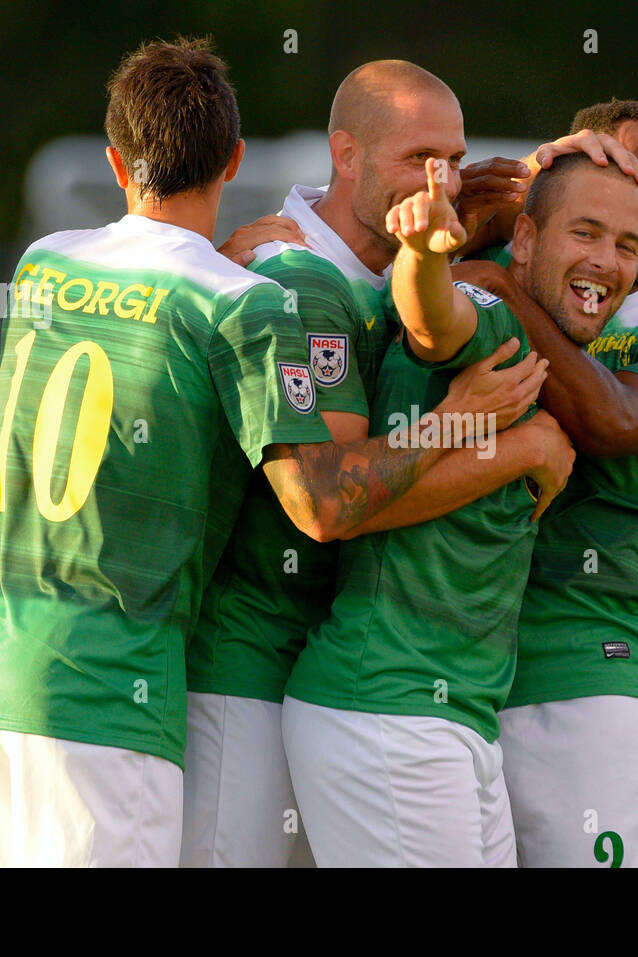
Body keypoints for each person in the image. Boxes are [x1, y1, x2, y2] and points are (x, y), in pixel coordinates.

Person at [0, 38, 493, 867]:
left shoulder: (43, 262)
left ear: (115, 160)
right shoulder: (244, 302)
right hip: (107, 687)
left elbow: (136, 312)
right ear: (234, 159)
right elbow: (321, 504)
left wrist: (213, 262)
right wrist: (461, 419)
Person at [180, 59, 564, 868]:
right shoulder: (297, 281)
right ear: (345, 153)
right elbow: (325, 504)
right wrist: (475, 433)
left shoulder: (387, 268)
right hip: (243, 673)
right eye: (420, 158)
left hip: (319, 679)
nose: (445, 182)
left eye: (456, 159)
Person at [282, 152, 638, 867]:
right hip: (387, 707)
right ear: (529, 241)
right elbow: (432, 318)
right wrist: (422, 253)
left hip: (452, 717)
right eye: (586, 232)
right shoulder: (494, 319)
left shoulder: (556, 353)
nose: (606, 260)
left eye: (626, 244)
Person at [452, 99, 638, 867]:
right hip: (455, 676)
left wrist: (501, 288)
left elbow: (611, 419)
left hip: (588, 678)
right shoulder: (493, 278)